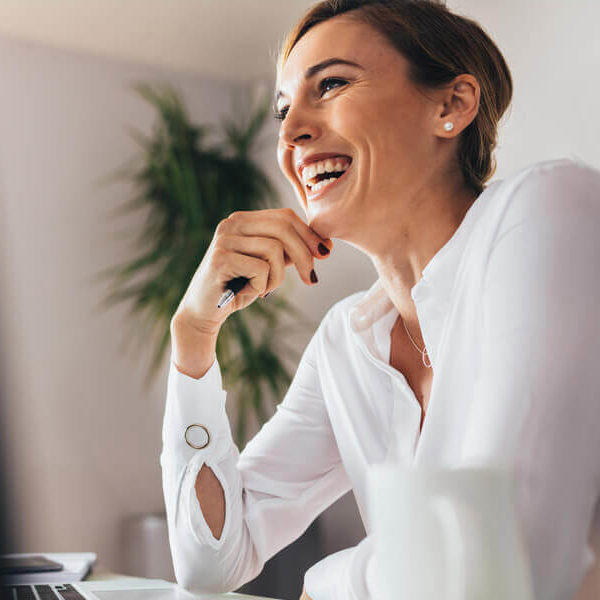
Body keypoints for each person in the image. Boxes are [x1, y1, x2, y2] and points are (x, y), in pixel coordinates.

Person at [160, 1, 600, 599]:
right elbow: (210, 564)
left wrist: (326, 581)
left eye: (332, 84)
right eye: (285, 110)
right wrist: (192, 337)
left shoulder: (550, 209)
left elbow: (503, 560)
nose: (290, 133)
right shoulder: (348, 341)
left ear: (451, 106)